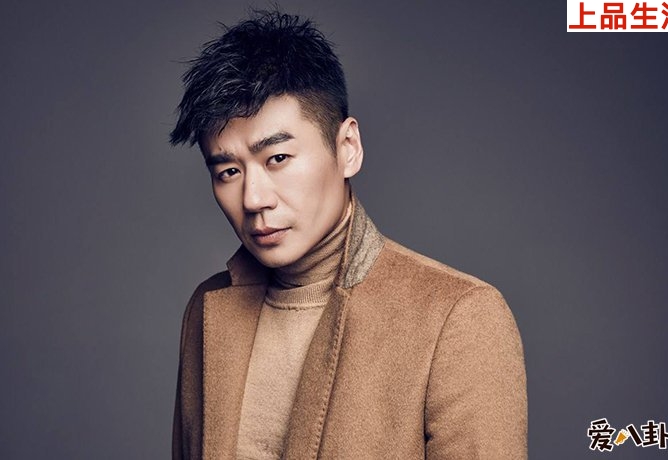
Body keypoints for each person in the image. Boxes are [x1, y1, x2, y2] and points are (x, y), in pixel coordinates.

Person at [169, 10, 526, 460]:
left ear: (347, 148)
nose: (254, 198)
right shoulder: (206, 309)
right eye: (228, 171)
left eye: (277, 158)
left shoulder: (458, 317)